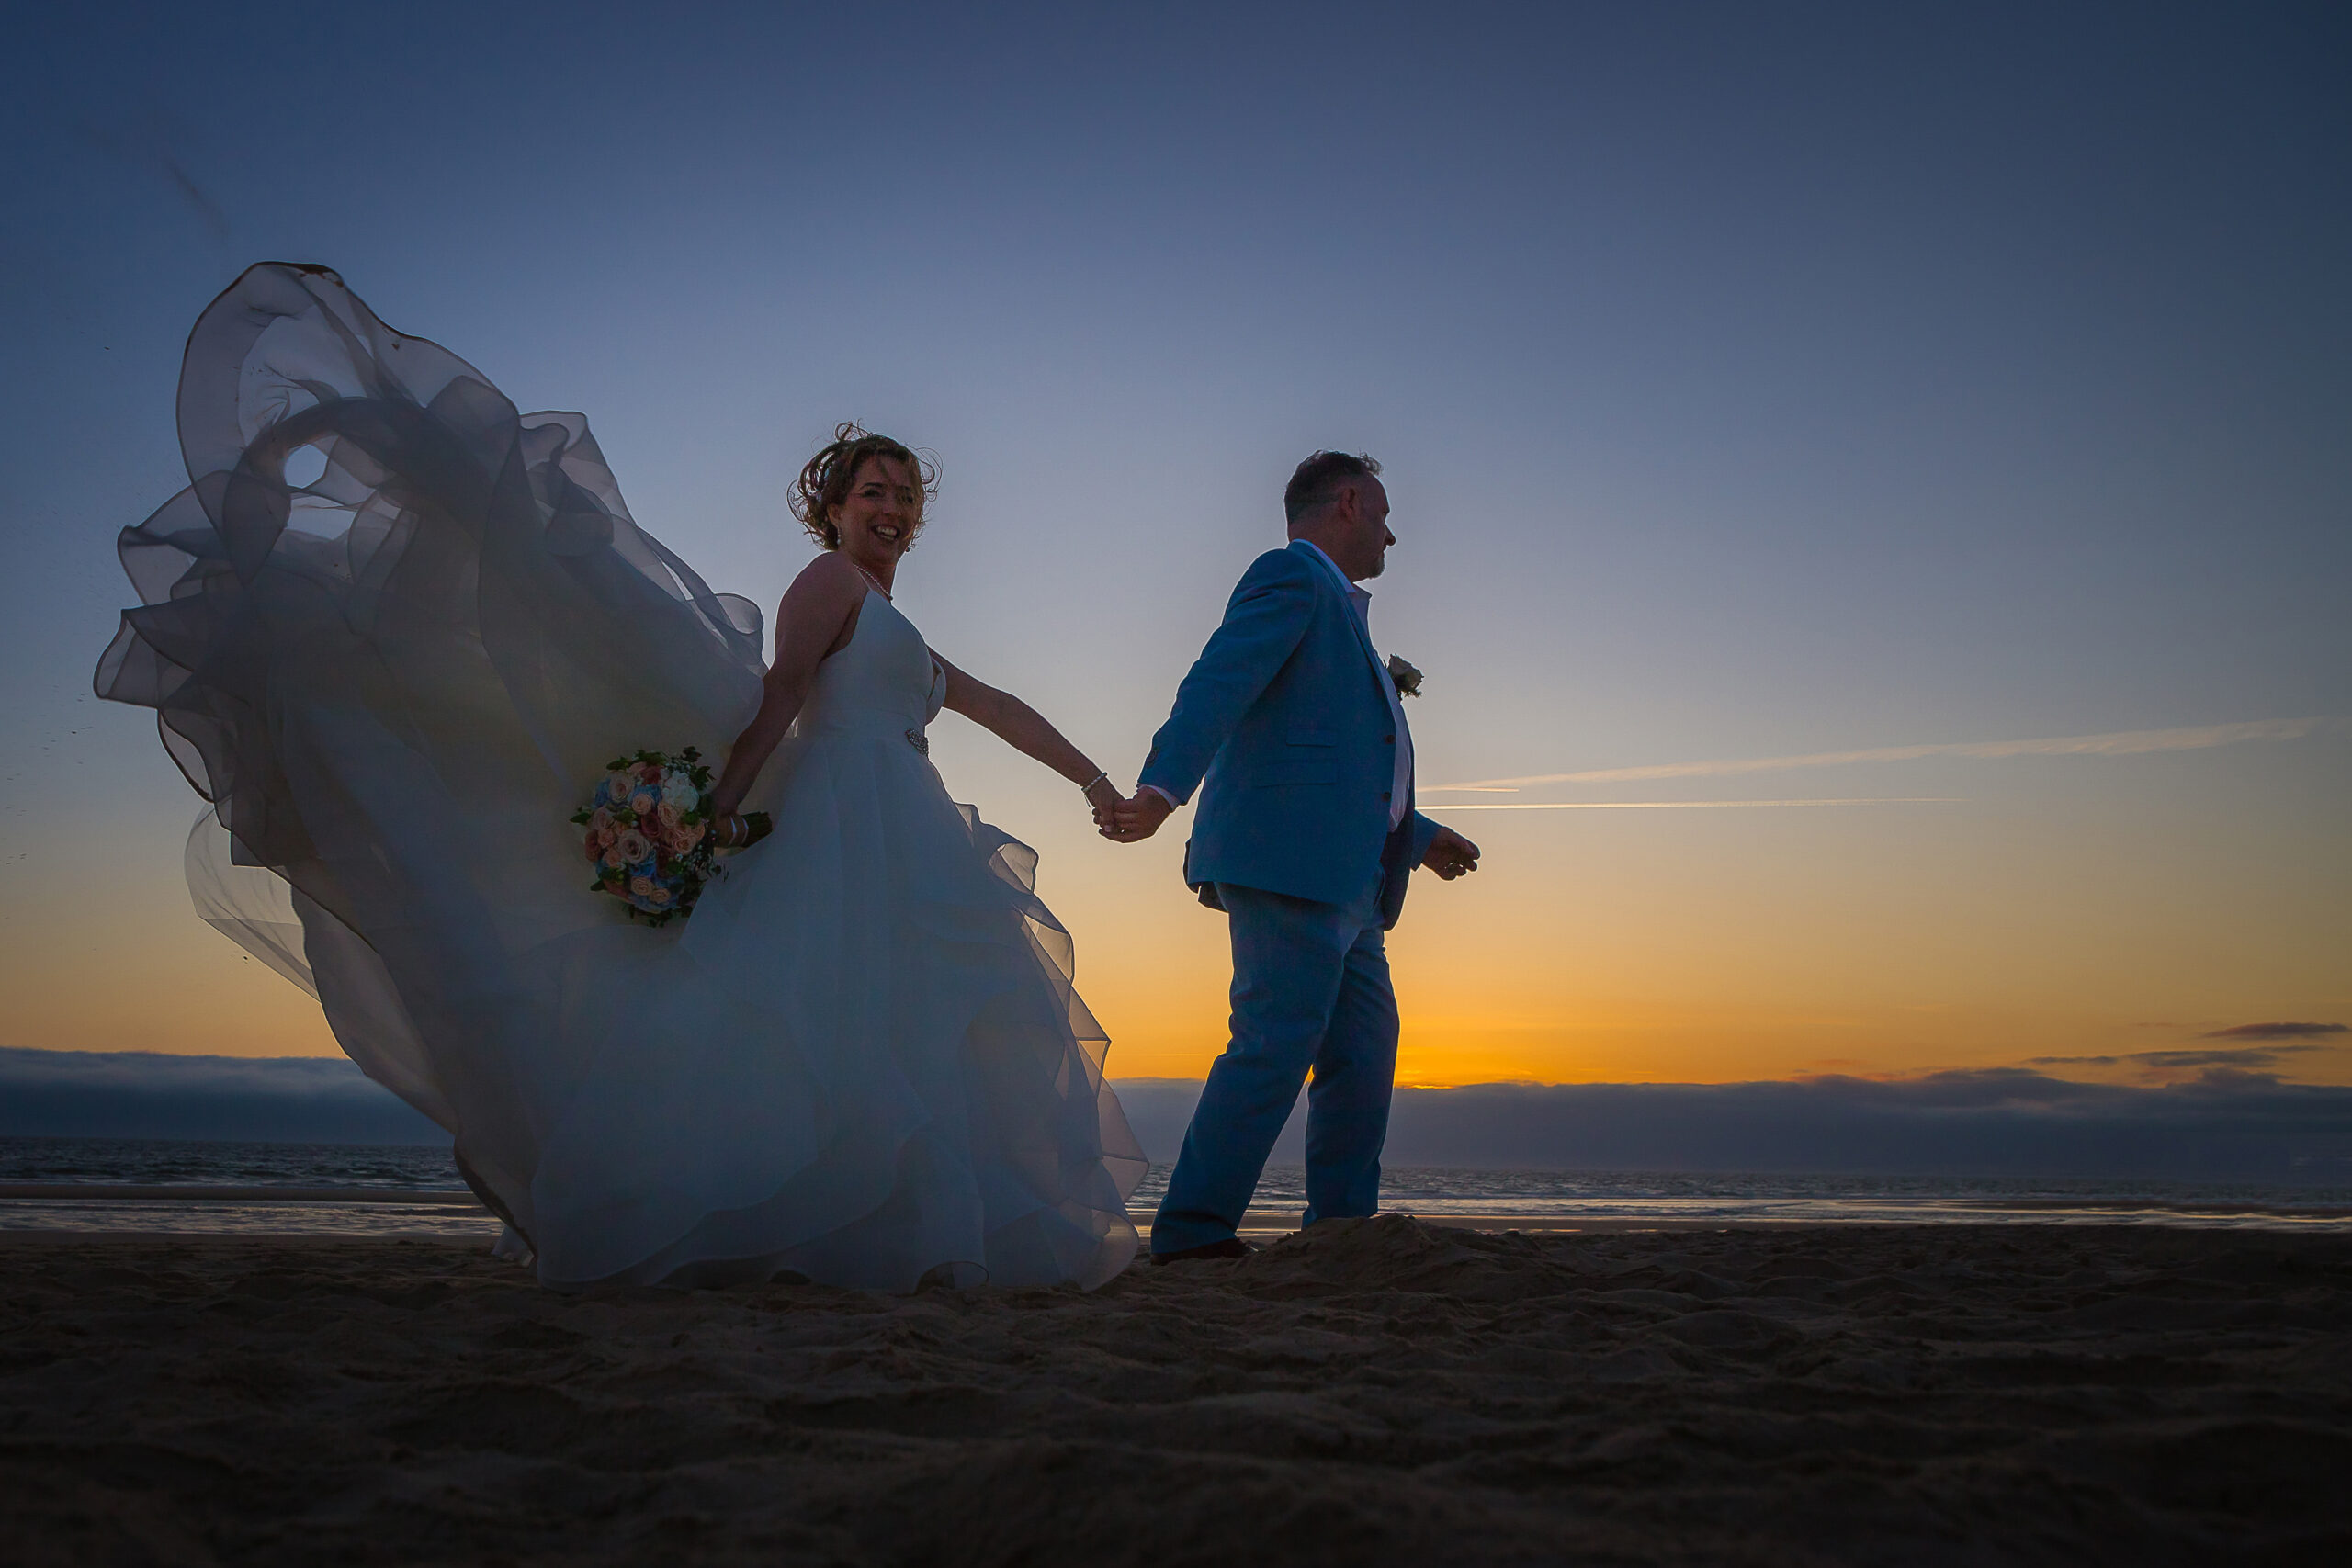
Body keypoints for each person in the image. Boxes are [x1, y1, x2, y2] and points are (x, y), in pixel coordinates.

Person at [96, 263, 1145, 1291]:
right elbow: (780, 694)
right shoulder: (829, 582)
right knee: (821, 1013)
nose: (893, 505)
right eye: (873, 490)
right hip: (843, 818)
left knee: (901, 1023)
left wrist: (1095, 780)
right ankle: (795, 1222)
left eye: (905, 495)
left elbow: (994, 705)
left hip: (901, 819)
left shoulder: (899, 626)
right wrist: (717, 810)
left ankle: (897, 1224)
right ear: (832, 508)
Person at [1102, 452, 1483, 1262]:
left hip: (1356, 880)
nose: (1391, 534)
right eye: (1383, 514)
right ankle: (1192, 1232)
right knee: (1274, 1042)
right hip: (1288, 864)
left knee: (1364, 1052)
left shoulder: (1343, 612)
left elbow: (1341, 762)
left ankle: (1340, 1232)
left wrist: (1419, 838)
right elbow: (1217, 683)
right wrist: (1161, 790)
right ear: (1346, 502)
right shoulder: (1291, 577)